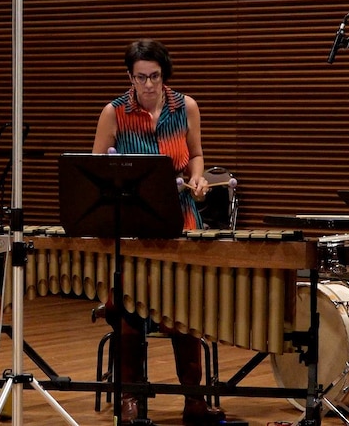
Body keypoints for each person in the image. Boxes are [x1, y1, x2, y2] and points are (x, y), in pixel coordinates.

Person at [92, 38, 225, 425]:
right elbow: (96, 168)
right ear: (129, 77)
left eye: (154, 76)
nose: (148, 85)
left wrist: (197, 178)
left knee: (186, 311)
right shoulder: (114, 113)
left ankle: (194, 400)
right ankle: (130, 400)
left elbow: (195, 154)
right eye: (140, 78)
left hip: (180, 221)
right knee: (129, 310)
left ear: (164, 75)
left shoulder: (186, 107)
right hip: (133, 226)